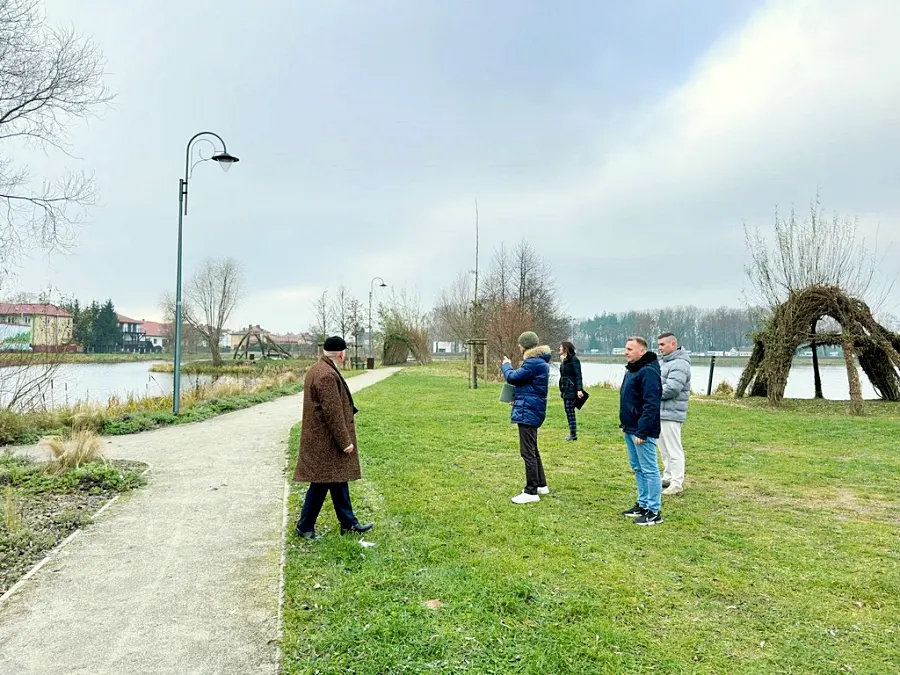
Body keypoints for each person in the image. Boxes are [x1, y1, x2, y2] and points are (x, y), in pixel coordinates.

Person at [293, 336, 374, 539]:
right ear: (341, 353)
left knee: (337, 480)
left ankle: (349, 524)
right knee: (322, 484)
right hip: (325, 440)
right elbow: (333, 413)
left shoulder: (318, 369)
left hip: (322, 438)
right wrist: (345, 442)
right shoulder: (327, 375)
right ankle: (305, 526)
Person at [501, 331, 552, 504]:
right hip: (530, 408)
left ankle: (531, 491)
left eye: (520, 343)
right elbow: (529, 386)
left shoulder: (532, 363)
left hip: (528, 411)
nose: (518, 346)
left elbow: (512, 377)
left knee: (527, 452)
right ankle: (541, 485)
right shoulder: (539, 362)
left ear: (524, 345)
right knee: (533, 449)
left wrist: (506, 365)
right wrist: (516, 398)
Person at [619, 336, 664, 526]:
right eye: (626, 348)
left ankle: (654, 511)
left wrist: (642, 431)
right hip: (630, 427)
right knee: (638, 468)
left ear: (642, 351)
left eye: (630, 349)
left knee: (649, 469)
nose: (626, 352)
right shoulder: (632, 369)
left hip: (642, 430)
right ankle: (643, 503)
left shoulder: (648, 372)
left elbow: (651, 404)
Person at [657, 332, 691, 496]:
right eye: (659, 345)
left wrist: (650, 393)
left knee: (673, 449)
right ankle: (668, 476)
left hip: (672, 413)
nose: (660, 348)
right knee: (663, 448)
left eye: (662, 344)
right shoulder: (663, 363)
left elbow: (672, 388)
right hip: (660, 411)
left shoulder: (680, 364)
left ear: (673, 344)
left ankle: (677, 483)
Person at [558, 341, 584, 441]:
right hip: (565, 389)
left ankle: (573, 434)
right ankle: (572, 433)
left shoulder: (574, 360)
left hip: (571, 389)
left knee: (570, 411)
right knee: (567, 410)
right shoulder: (564, 360)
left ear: (566, 348)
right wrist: (563, 362)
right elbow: (563, 374)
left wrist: (579, 389)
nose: (559, 349)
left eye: (561, 347)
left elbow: (578, 375)